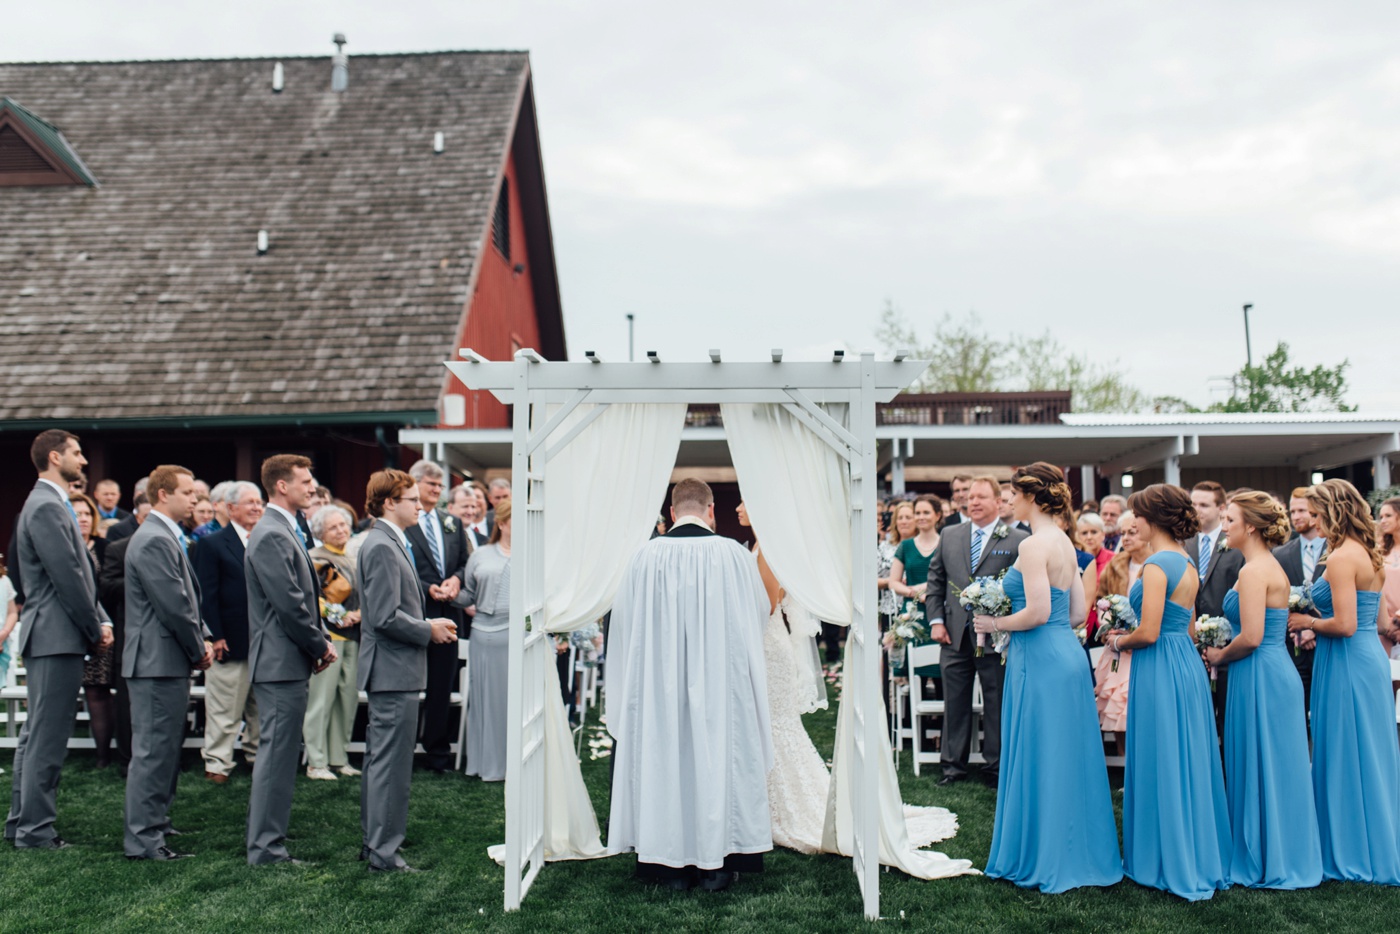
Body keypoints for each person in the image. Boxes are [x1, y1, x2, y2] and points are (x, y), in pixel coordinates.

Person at [607, 479, 772, 892]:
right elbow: (757, 614)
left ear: (673, 511)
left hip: (658, 683)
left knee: (664, 759)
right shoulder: (734, 555)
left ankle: (667, 866)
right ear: (711, 510)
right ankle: (718, 864)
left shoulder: (643, 558)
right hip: (720, 680)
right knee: (718, 759)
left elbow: (623, 624)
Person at [973, 463, 1122, 892]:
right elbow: (1077, 613)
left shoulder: (1034, 546)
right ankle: (1076, 850)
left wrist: (993, 624)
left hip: (1039, 658)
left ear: (1033, 499)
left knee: (1043, 752)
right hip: (1066, 655)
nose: (1009, 500)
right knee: (1066, 755)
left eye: (1014, 494)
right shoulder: (1065, 544)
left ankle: (1047, 855)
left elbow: (1037, 613)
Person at [1104, 483, 1229, 900]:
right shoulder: (1187, 561)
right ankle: (1191, 850)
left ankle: (1164, 857)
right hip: (1185, 665)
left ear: (1151, 516)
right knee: (1185, 756)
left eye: (1136, 512)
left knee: (1162, 754)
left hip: (1159, 665)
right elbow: (1188, 627)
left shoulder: (1158, 565)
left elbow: (1150, 632)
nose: (1132, 519)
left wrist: (1119, 642)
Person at [1200, 491, 1321, 889]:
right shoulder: (1262, 566)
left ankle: (1268, 856)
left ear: (1251, 525)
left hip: (1261, 672)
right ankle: (1279, 849)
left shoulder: (1254, 572)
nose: (1225, 527)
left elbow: (1251, 636)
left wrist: (1218, 655)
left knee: (1264, 761)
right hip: (1268, 670)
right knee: (1270, 763)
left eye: (1231, 520)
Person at [5, 430, 114, 850]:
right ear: (55, 457)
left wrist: (97, 618)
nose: (83, 460)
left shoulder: (52, 503)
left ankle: (22, 824)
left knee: (37, 736)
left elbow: (79, 574)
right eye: (76, 453)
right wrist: (94, 627)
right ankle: (36, 831)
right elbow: (67, 578)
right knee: (47, 740)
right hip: (55, 636)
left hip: (56, 635)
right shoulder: (47, 506)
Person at [1287, 479, 1400, 884]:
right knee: (1368, 752)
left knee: (1346, 751)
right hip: (1372, 658)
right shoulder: (1370, 554)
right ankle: (1376, 840)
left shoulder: (1339, 559)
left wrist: (1306, 620)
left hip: (1347, 661)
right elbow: (1383, 622)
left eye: (1316, 514)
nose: (1313, 522)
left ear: (1332, 512)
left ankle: (1349, 849)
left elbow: (1346, 625)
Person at [357, 470, 457, 872]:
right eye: (412, 499)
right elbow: (383, 616)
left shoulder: (388, 541)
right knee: (390, 766)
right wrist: (427, 629)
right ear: (388, 504)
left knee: (382, 762)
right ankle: (383, 850)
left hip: (394, 669)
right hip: (392, 669)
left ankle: (375, 842)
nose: (421, 505)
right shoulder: (381, 545)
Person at [244, 454, 337, 866]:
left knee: (281, 754)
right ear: (282, 485)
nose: (312, 485)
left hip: (286, 659)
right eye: (305, 479)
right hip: (279, 661)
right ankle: (265, 848)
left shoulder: (284, 528)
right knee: (276, 756)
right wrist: (319, 644)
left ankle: (270, 839)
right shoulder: (271, 534)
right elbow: (290, 605)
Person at [122, 465, 214, 860]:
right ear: (163, 495)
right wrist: (198, 647)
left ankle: (155, 822)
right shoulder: (154, 539)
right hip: (156, 661)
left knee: (163, 749)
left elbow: (186, 599)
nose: (195, 499)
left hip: (163, 659)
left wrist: (203, 635)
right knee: (153, 751)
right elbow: (174, 606)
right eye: (188, 492)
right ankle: (143, 839)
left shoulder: (165, 535)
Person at [925, 476, 1027, 788]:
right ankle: (953, 766)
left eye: (982, 497)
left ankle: (995, 766)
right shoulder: (950, 534)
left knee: (996, 701)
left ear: (999, 501)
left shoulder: (1016, 538)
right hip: (953, 634)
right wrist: (936, 621)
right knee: (954, 702)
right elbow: (936, 580)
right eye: (971, 497)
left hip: (995, 636)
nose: (975, 502)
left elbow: (1021, 588)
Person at [193, 481, 263, 783]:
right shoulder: (211, 544)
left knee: (260, 709)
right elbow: (205, 595)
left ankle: (257, 756)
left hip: (263, 642)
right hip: (230, 640)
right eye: (250, 502)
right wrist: (215, 635)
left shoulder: (265, 540)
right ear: (231, 507)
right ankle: (217, 763)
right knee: (224, 709)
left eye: (259, 502)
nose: (257, 507)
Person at [404, 460, 471, 773]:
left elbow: (463, 561)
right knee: (410, 682)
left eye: (440, 485)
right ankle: (405, 746)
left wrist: (456, 579)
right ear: (416, 484)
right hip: (415, 611)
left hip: (448, 611)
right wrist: (428, 587)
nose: (437, 490)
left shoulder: (452, 522)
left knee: (442, 684)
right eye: (431, 484)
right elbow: (401, 567)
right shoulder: (406, 522)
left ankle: (437, 752)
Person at [305, 504, 363, 780]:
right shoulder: (314, 557)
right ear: (320, 532)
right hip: (328, 639)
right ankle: (316, 762)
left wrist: (360, 614)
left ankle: (339, 758)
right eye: (333, 527)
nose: (341, 530)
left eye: (343, 524)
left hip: (355, 636)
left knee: (346, 699)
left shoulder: (353, 555)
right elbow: (312, 599)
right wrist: (339, 615)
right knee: (321, 700)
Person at [455, 500, 512, 781]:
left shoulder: (533, 554)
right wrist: (450, 592)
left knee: (511, 702)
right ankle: (484, 764)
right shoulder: (481, 555)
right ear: (501, 523)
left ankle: (514, 764)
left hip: (516, 635)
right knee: (484, 701)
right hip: (483, 636)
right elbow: (468, 595)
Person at [72, 491, 118, 767]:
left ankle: (103, 755)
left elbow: (108, 587)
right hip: (70, 629)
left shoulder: (104, 546)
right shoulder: (62, 546)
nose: (84, 519)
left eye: (88, 514)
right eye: (77, 514)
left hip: (101, 628)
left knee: (97, 692)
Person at [1272, 487, 1325, 719]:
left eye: (1302, 510)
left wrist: (1313, 627)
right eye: (1292, 511)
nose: (1296, 516)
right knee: (1296, 714)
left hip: (1327, 642)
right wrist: (1296, 629)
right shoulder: (1281, 554)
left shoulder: (1335, 549)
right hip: (1292, 644)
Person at [1093, 511, 1143, 750]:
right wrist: (1108, 626)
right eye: (1123, 533)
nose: (1126, 538)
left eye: (1132, 533)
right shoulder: (1116, 565)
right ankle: (1125, 766)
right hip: (1116, 646)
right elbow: (1101, 600)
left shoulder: (1156, 565)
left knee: (1136, 706)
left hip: (1142, 646)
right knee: (1116, 708)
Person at [888, 496, 941, 610]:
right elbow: (893, 582)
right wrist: (914, 593)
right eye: (917, 513)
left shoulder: (945, 544)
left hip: (938, 607)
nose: (921, 517)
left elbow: (950, 579)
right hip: (911, 611)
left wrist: (922, 587)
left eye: (926, 513)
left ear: (937, 515)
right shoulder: (906, 546)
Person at [1078, 512, 1113, 642]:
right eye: (1084, 533)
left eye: (1094, 532)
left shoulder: (1113, 560)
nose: (1089, 537)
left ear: (1103, 535)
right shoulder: (1074, 560)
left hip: (1104, 623)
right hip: (1082, 622)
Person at [1378, 497, 1400, 652]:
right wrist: (1386, 622)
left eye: (1388, 516)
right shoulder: (1381, 551)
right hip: (1385, 626)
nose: (1383, 521)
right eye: (1381, 517)